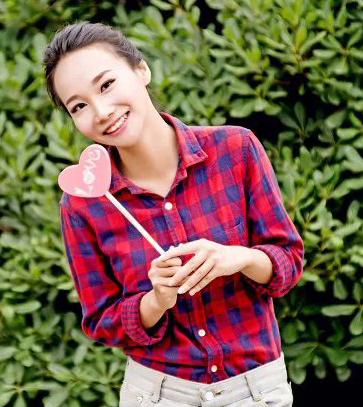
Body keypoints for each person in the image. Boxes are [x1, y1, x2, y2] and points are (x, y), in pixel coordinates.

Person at [43, 21, 304, 407]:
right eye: (78, 106)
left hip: (257, 391)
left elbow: (289, 262)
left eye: (107, 84)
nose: (101, 111)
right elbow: (101, 321)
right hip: (158, 395)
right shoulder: (83, 205)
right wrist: (155, 301)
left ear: (142, 70)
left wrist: (240, 258)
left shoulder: (236, 150)